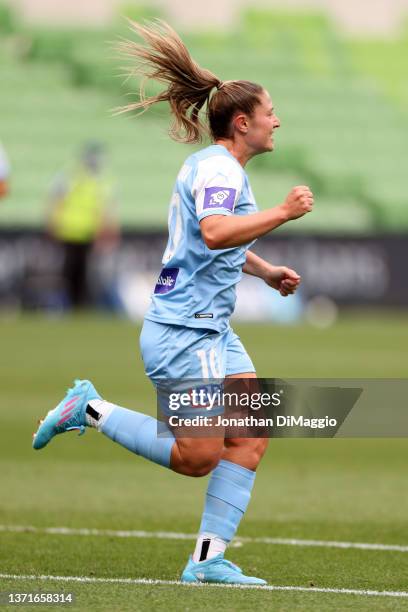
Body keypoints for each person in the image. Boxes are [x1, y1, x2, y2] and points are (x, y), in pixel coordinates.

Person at [33, 20, 313, 585]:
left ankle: (206, 563)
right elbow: (213, 231)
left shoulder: (220, 168)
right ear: (243, 122)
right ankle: (87, 409)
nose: (276, 119)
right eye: (270, 112)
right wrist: (282, 213)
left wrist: (262, 271)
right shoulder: (215, 169)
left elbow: (213, 241)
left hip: (209, 328)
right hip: (186, 331)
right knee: (198, 456)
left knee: (252, 433)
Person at [46, 142, 119, 309]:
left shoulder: (91, 179)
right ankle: (69, 303)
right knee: (70, 270)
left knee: (81, 270)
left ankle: (78, 303)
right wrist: (53, 223)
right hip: (70, 231)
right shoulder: (72, 177)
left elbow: (105, 209)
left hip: (85, 232)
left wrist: (106, 229)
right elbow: (56, 201)